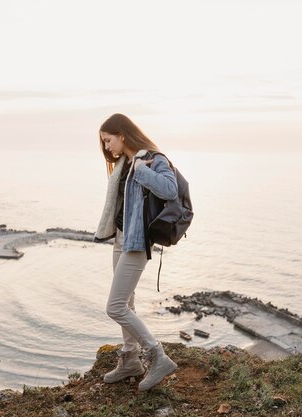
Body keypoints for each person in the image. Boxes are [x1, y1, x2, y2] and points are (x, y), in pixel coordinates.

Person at [94, 113, 178, 391]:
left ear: (123, 134)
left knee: (114, 307)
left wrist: (143, 169)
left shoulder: (153, 159)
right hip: (120, 239)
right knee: (127, 302)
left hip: (137, 242)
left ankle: (158, 356)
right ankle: (130, 360)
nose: (107, 147)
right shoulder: (124, 163)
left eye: (108, 140)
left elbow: (169, 189)